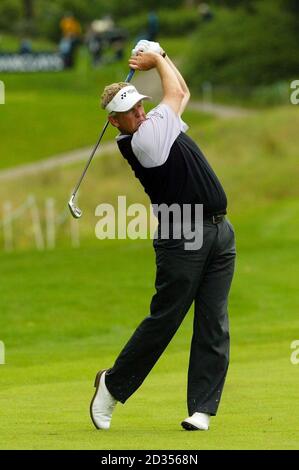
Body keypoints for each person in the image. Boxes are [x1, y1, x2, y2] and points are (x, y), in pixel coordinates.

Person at [90, 40, 236, 431]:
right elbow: (179, 92)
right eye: (128, 112)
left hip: (219, 230)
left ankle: (202, 408)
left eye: (138, 104)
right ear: (114, 122)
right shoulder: (144, 140)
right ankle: (112, 386)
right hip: (183, 231)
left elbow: (179, 93)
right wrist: (157, 58)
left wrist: (162, 59)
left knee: (214, 321)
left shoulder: (154, 121)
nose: (138, 112)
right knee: (167, 318)